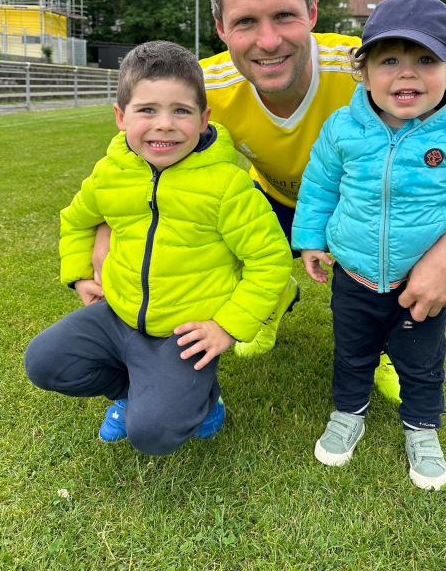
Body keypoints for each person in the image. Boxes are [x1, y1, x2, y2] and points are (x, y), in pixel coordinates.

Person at [92, 0, 446, 403]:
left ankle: (387, 349)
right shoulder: (202, 88)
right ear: (219, 26)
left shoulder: (376, 71)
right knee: (207, 223)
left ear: (313, 12)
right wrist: (107, 230)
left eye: (284, 16)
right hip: (273, 203)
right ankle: (271, 299)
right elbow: (131, 156)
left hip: (370, 207)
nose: (268, 40)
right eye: (245, 22)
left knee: (405, 231)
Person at [292, 0, 446, 490]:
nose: (407, 74)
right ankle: (348, 413)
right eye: (389, 61)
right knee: (351, 352)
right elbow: (319, 186)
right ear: (363, 74)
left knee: (421, 362)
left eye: (425, 59)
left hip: (420, 283)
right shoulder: (342, 127)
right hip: (353, 274)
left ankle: (422, 430)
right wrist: (310, 240)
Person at [24, 41, 292, 455]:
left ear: (204, 120)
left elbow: (269, 260)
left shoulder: (226, 186)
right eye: (147, 110)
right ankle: (129, 389)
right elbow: (76, 219)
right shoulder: (109, 174)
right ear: (120, 116)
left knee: (151, 435)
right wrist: (79, 275)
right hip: (118, 314)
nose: (164, 124)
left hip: (184, 333)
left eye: (181, 111)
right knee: (43, 361)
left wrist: (227, 327)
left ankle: (206, 402)